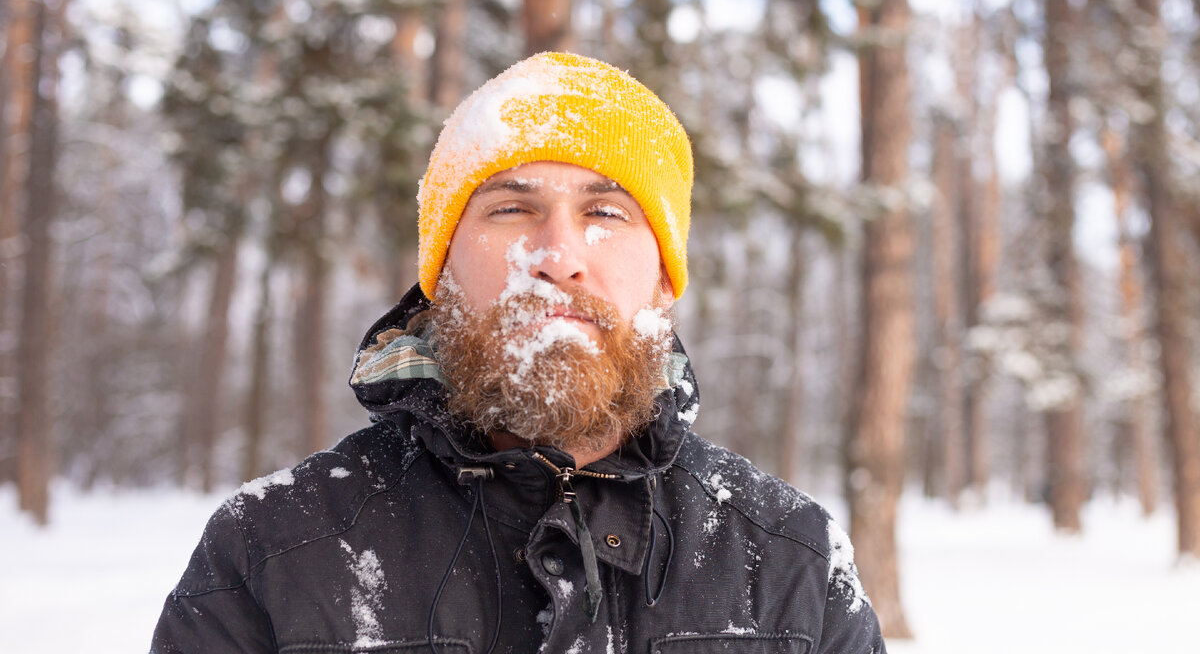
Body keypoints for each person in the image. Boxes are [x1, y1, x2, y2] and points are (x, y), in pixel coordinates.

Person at [152, 52, 885, 653]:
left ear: (663, 278)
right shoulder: (272, 551)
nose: (558, 254)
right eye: (511, 209)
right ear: (441, 274)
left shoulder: (794, 564)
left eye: (604, 212)